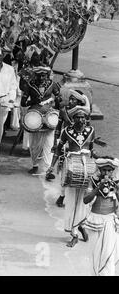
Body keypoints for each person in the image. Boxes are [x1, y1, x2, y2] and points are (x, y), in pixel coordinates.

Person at [53, 104, 96, 247]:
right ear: (73, 118)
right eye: (78, 117)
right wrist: (52, 166)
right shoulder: (67, 131)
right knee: (72, 203)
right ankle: (74, 234)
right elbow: (59, 148)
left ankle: (81, 225)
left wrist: (96, 162)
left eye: (83, 117)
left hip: (87, 170)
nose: (81, 119)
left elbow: (91, 149)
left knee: (85, 203)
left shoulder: (91, 131)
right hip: (72, 169)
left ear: (86, 119)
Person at [46, 90, 91, 207]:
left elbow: (88, 135)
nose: (70, 101)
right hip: (67, 141)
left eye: (73, 99)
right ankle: (62, 196)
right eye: (70, 99)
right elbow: (58, 127)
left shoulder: (84, 115)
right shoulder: (63, 111)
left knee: (84, 176)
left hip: (80, 145)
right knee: (66, 173)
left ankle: (81, 199)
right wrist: (56, 142)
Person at [20, 66, 60, 174]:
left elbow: (58, 98)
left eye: (44, 75)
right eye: (39, 75)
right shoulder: (29, 85)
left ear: (47, 76)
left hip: (49, 117)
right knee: (34, 143)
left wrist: (54, 102)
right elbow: (23, 103)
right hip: (34, 117)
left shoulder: (52, 84)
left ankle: (48, 168)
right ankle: (35, 164)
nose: (42, 78)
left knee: (49, 143)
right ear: (35, 75)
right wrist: (32, 102)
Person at [83, 157, 119, 276]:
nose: (107, 173)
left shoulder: (116, 182)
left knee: (108, 253)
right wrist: (98, 188)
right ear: (100, 169)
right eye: (104, 170)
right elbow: (85, 200)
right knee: (95, 253)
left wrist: (117, 190)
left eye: (109, 171)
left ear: (112, 171)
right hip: (96, 221)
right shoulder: (92, 181)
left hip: (110, 221)